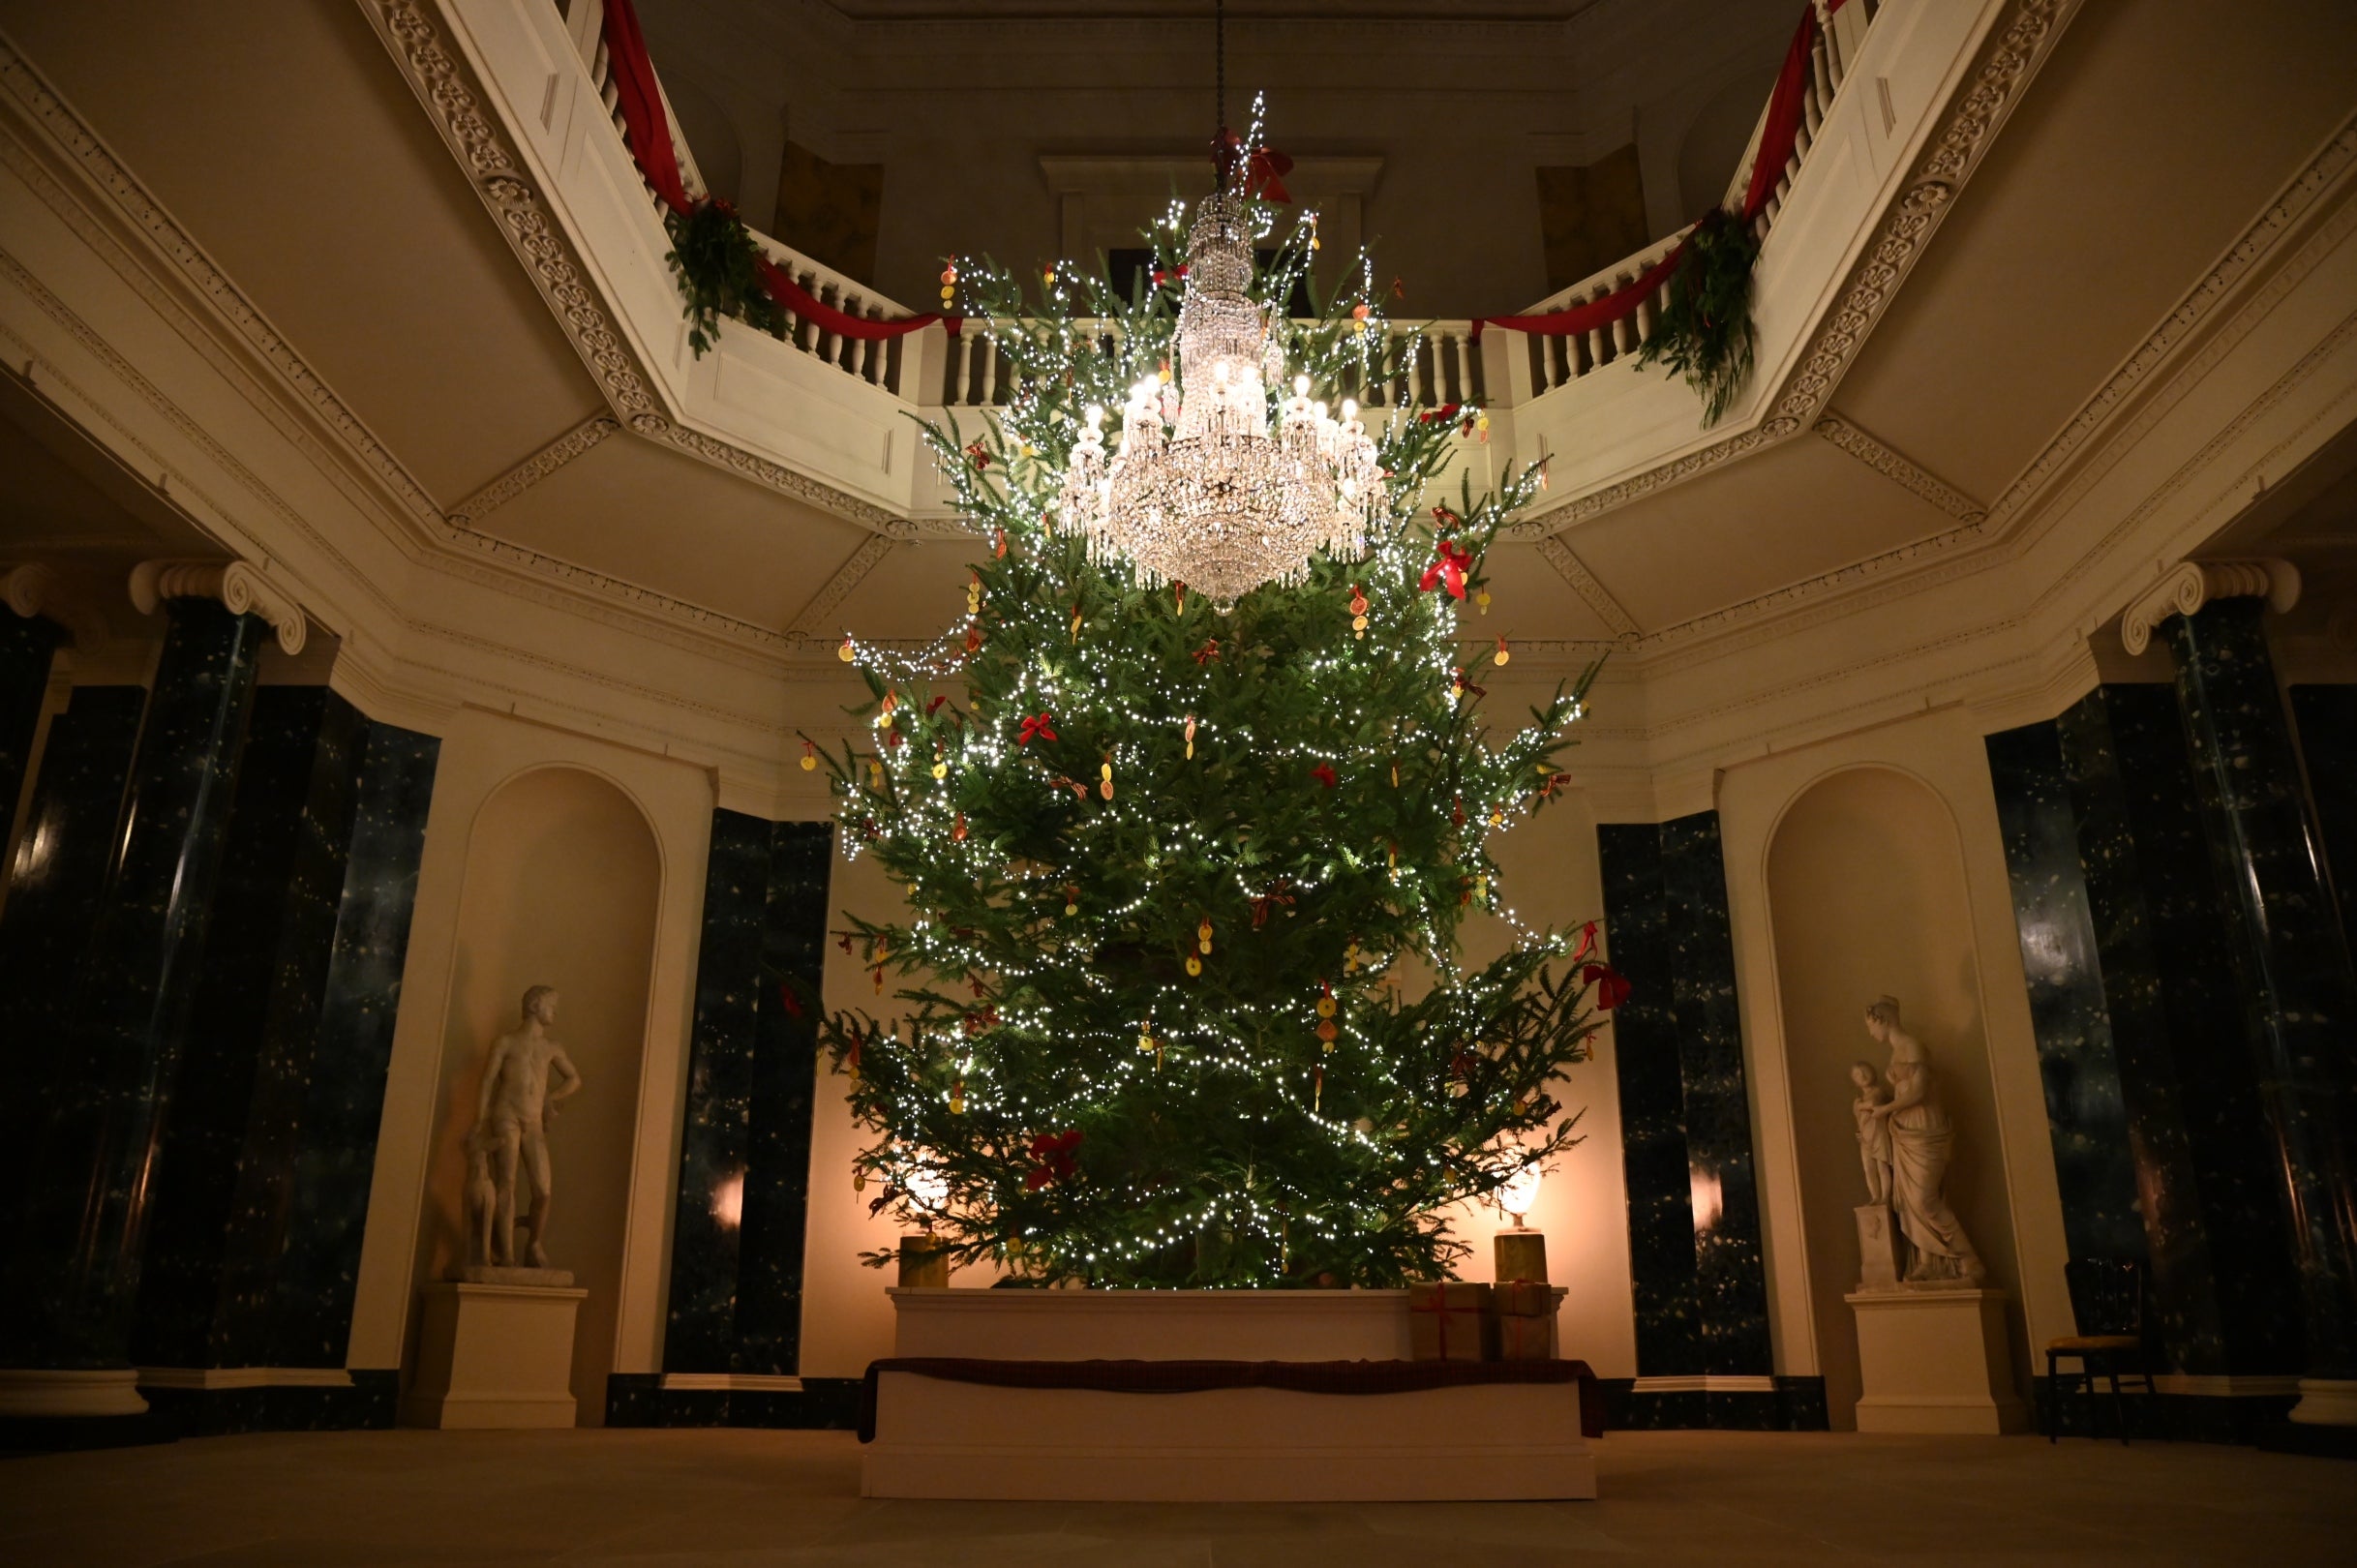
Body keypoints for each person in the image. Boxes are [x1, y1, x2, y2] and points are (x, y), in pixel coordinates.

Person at [1861, 996, 1983, 1283]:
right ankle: (1928, 1261)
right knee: (1907, 1201)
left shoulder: (1913, 1047)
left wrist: (1885, 1110)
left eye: (1870, 1026)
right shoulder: (1897, 1051)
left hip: (1924, 1127)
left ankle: (1970, 1260)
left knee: (1925, 1199)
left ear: (1883, 1020)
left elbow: (1918, 1092)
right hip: (1905, 1129)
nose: (1870, 1033)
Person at [475, 984, 583, 1268]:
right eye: (551, 1006)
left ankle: (533, 1242)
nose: (555, 1012)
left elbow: (574, 1079)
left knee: (543, 1190)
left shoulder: (552, 1047)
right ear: (535, 1005)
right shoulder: (506, 1042)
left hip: (533, 1121)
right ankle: (507, 1254)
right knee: (506, 1182)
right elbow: (488, 1081)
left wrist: (551, 1097)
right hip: (507, 1115)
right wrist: (479, 1119)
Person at [1850, 1060, 1893, 1206]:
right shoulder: (1857, 1100)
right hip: (1865, 1137)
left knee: (1882, 1165)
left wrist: (1860, 1106)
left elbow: (1873, 1104)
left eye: (1864, 1071)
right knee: (1868, 1168)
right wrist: (1858, 1131)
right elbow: (1859, 1119)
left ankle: (1885, 1197)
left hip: (1879, 1133)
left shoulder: (1878, 1091)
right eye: (1857, 1075)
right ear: (1855, 1081)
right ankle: (1875, 1196)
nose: (1862, 1076)